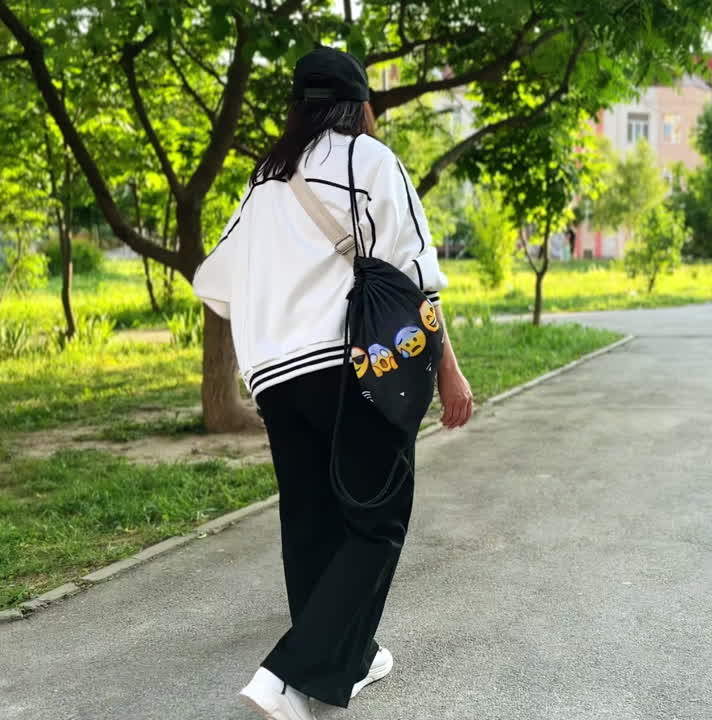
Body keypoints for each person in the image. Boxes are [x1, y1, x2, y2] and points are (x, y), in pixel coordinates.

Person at [192, 47, 473, 720]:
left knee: (311, 516)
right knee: (377, 519)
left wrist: (277, 315)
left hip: (273, 376)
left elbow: (217, 283)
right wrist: (449, 368)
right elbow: (413, 281)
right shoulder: (370, 162)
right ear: (361, 105)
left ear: (299, 106)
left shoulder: (265, 179)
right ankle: (285, 677)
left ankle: (350, 657)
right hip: (348, 367)